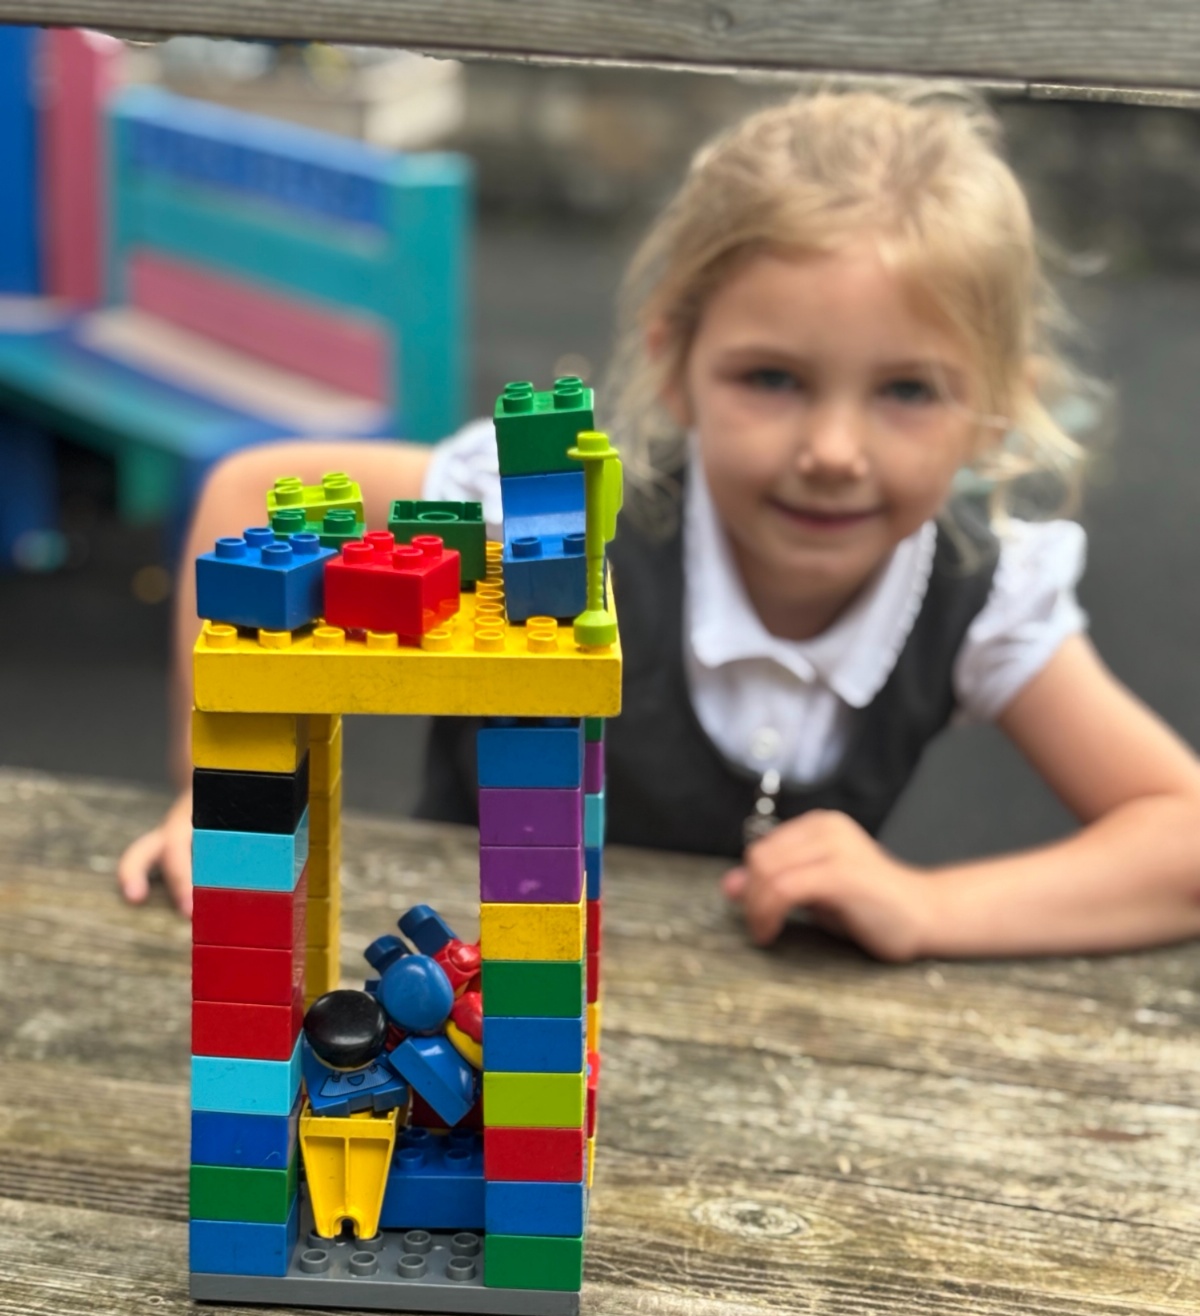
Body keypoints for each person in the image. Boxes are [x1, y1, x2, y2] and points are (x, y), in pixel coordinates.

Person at [119, 87, 1200, 962]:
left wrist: (927, 906)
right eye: (772, 378)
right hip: (452, 1000)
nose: (834, 449)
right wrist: (224, 807)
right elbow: (251, 501)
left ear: (997, 409)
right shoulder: (548, 514)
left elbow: (1182, 840)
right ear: (674, 362)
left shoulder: (975, 592)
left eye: (908, 390)